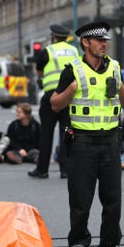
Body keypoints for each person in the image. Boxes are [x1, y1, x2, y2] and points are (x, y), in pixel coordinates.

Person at [50, 21, 124, 247]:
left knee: (112, 201)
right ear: (85, 42)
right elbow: (55, 104)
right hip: (82, 143)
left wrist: (120, 88)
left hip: (110, 142)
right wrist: (71, 90)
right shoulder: (73, 69)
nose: (103, 44)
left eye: (105, 40)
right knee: (80, 201)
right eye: (98, 40)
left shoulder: (114, 68)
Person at [28, 24, 78, 179]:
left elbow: (40, 71)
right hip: (69, 96)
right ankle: (66, 170)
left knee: (46, 134)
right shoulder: (74, 50)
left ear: (54, 37)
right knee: (66, 133)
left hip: (51, 96)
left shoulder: (47, 51)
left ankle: (42, 170)